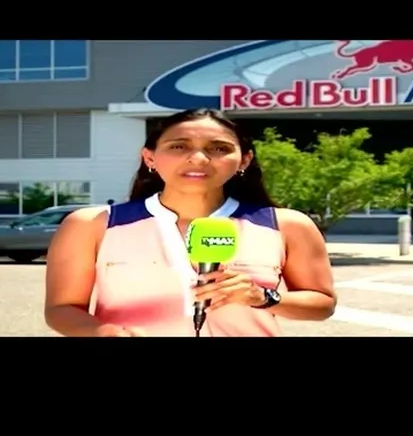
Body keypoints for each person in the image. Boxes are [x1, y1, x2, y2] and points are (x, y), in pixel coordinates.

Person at [44, 109, 337, 337]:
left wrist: (263, 296)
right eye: (178, 147)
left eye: (219, 148)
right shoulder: (92, 225)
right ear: (150, 157)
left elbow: (322, 304)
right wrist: (101, 332)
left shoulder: (288, 225)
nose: (198, 158)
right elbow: (61, 309)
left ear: (244, 160)